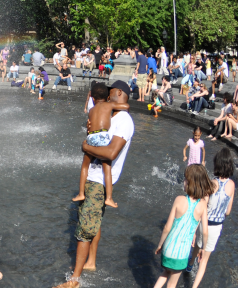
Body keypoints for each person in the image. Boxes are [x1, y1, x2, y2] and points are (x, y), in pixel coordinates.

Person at [55, 81, 134, 288]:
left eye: (110, 92)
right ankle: (90, 262)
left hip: (100, 181)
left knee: (85, 228)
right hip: (95, 178)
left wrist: (86, 146)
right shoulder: (112, 114)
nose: (107, 96)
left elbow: (110, 153)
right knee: (92, 220)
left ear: (118, 92)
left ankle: (74, 281)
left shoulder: (124, 120)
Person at [151, 164, 215, 288]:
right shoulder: (202, 205)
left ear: (191, 183)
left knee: (165, 273)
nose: (184, 182)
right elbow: (205, 232)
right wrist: (202, 248)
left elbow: (167, 228)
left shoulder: (179, 199)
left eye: (186, 179)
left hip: (168, 248)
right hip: (181, 254)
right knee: (172, 284)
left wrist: (160, 244)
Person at [73, 83, 129, 208]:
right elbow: (125, 105)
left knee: (84, 166)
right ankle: (109, 198)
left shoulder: (92, 109)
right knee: (107, 167)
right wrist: (125, 107)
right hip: (103, 136)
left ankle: (81, 193)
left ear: (93, 98)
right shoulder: (109, 105)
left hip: (91, 136)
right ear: (106, 97)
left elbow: (92, 124)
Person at [188, 149, 234, 286]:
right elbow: (228, 212)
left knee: (198, 244)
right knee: (205, 259)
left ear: (217, 164)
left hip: (204, 223)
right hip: (217, 227)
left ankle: (189, 265)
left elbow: (203, 206)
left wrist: (194, 230)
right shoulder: (232, 185)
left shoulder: (212, 183)